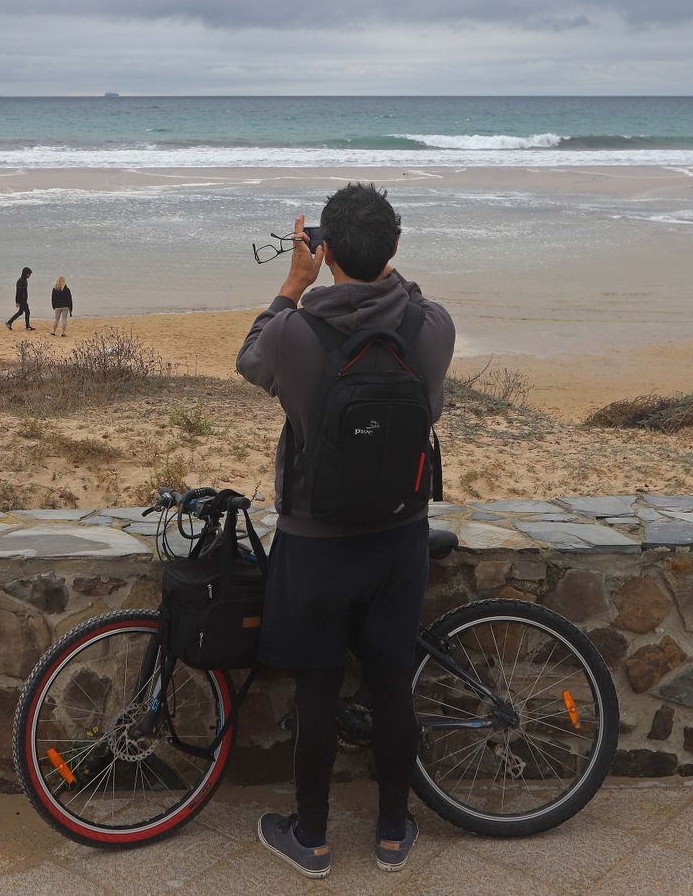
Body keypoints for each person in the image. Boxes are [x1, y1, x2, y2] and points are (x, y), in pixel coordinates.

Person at [236, 183, 455, 879]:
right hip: (399, 535)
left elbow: (249, 359)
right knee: (391, 685)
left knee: (318, 692)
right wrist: (382, 273)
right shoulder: (431, 326)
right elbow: (429, 390)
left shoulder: (294, 334)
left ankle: (312, 837)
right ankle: (392, 833)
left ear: (323, 250)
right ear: (396, 247)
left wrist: (293, 285)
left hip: (315, 541)